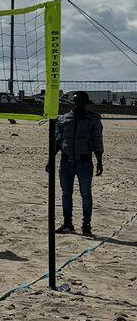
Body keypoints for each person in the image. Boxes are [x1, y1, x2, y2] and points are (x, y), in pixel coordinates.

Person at [55, 89, 104, 236]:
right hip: (66, 162)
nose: (76, 103)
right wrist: (50, 159)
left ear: (85, 103)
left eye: (80, 101)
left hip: (84, 162)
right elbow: (57, 141)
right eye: (75, 100)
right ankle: (68, 223)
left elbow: (97, 140)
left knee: (86, 195)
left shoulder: (93, 120)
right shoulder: (63, 119)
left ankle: (86, 225)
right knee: (66, 194)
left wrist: (99, 161)